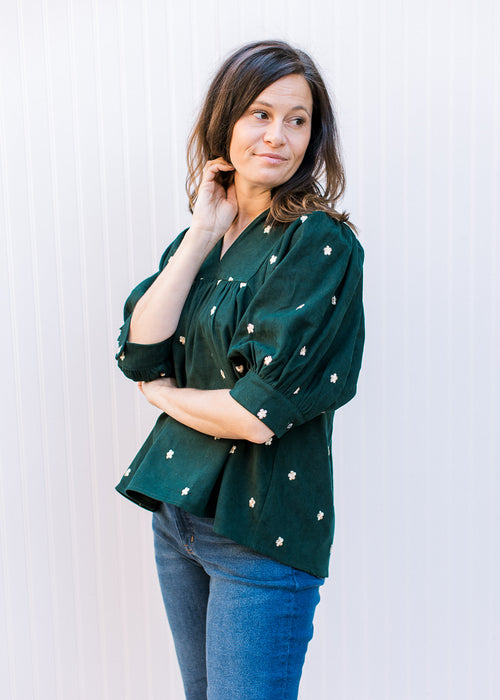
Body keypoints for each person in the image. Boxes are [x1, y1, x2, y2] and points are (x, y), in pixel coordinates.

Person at [115, 40, 365, 700]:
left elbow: (256, 414)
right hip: (179, 517)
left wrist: (164, 398)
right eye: (259, 113)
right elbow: (140, 350)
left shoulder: (318, 241)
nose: (277, 135)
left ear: (314, 137)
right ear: (226, 120)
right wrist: (201, 232)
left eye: (297, 119)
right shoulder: (202, 235)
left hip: (260, 533)